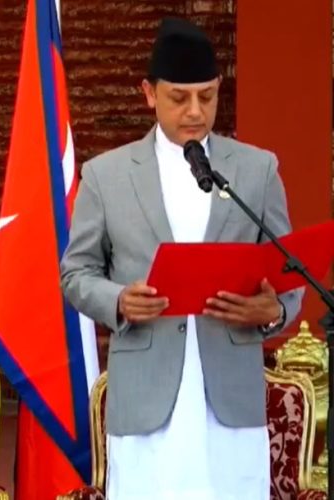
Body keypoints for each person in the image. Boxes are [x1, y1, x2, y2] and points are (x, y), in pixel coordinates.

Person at [60, 17, 302, 500]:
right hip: (146, 401)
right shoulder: (107, 175)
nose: (195, 111)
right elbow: (76, 272)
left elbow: (290, 272)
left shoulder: (256, 170)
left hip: (229, 401)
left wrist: (273, 310)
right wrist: (119, 300)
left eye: (207, 97)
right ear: (149, 94)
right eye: (179, 98)